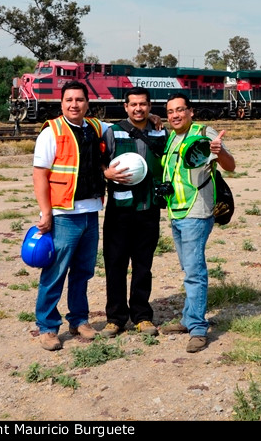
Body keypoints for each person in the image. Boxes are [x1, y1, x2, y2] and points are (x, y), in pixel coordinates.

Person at [32, 81, 105, 351]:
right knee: (55, 272)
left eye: (79, 100)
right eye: (69, 100)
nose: (74, 104)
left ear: (88, 103)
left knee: (83, 272)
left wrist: (153, 118)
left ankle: (79, 319)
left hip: (90, 212)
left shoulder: (96, 127)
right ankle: (48, 327)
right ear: (61, 104)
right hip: (63, 215)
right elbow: (39, 174)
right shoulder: (51, 132)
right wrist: (46, 212)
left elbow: (124, 126)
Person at [160, 92, 235, 353]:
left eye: (180, 110)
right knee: (188, 268)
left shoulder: (204, 132)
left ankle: (198, 329)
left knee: (195, 271)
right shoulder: (171, 137)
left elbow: (230, 165)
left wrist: (220, 150)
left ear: (191, 111)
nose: (175, 115)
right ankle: (189, 319)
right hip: (176, 212)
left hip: (197, 212)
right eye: (170, 111)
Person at [101, 86, 167, 337]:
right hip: (119, 210)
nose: (138, 108)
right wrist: (104, 173)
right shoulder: (112, 132)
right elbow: (97, 160)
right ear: (125, 106)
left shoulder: (161, 132)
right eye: (133, 104)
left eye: (143, 104)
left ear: (150, 106)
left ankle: (142, 315)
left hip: (148, 208)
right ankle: (115, 318)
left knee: (143, 265)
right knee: (115, 264)